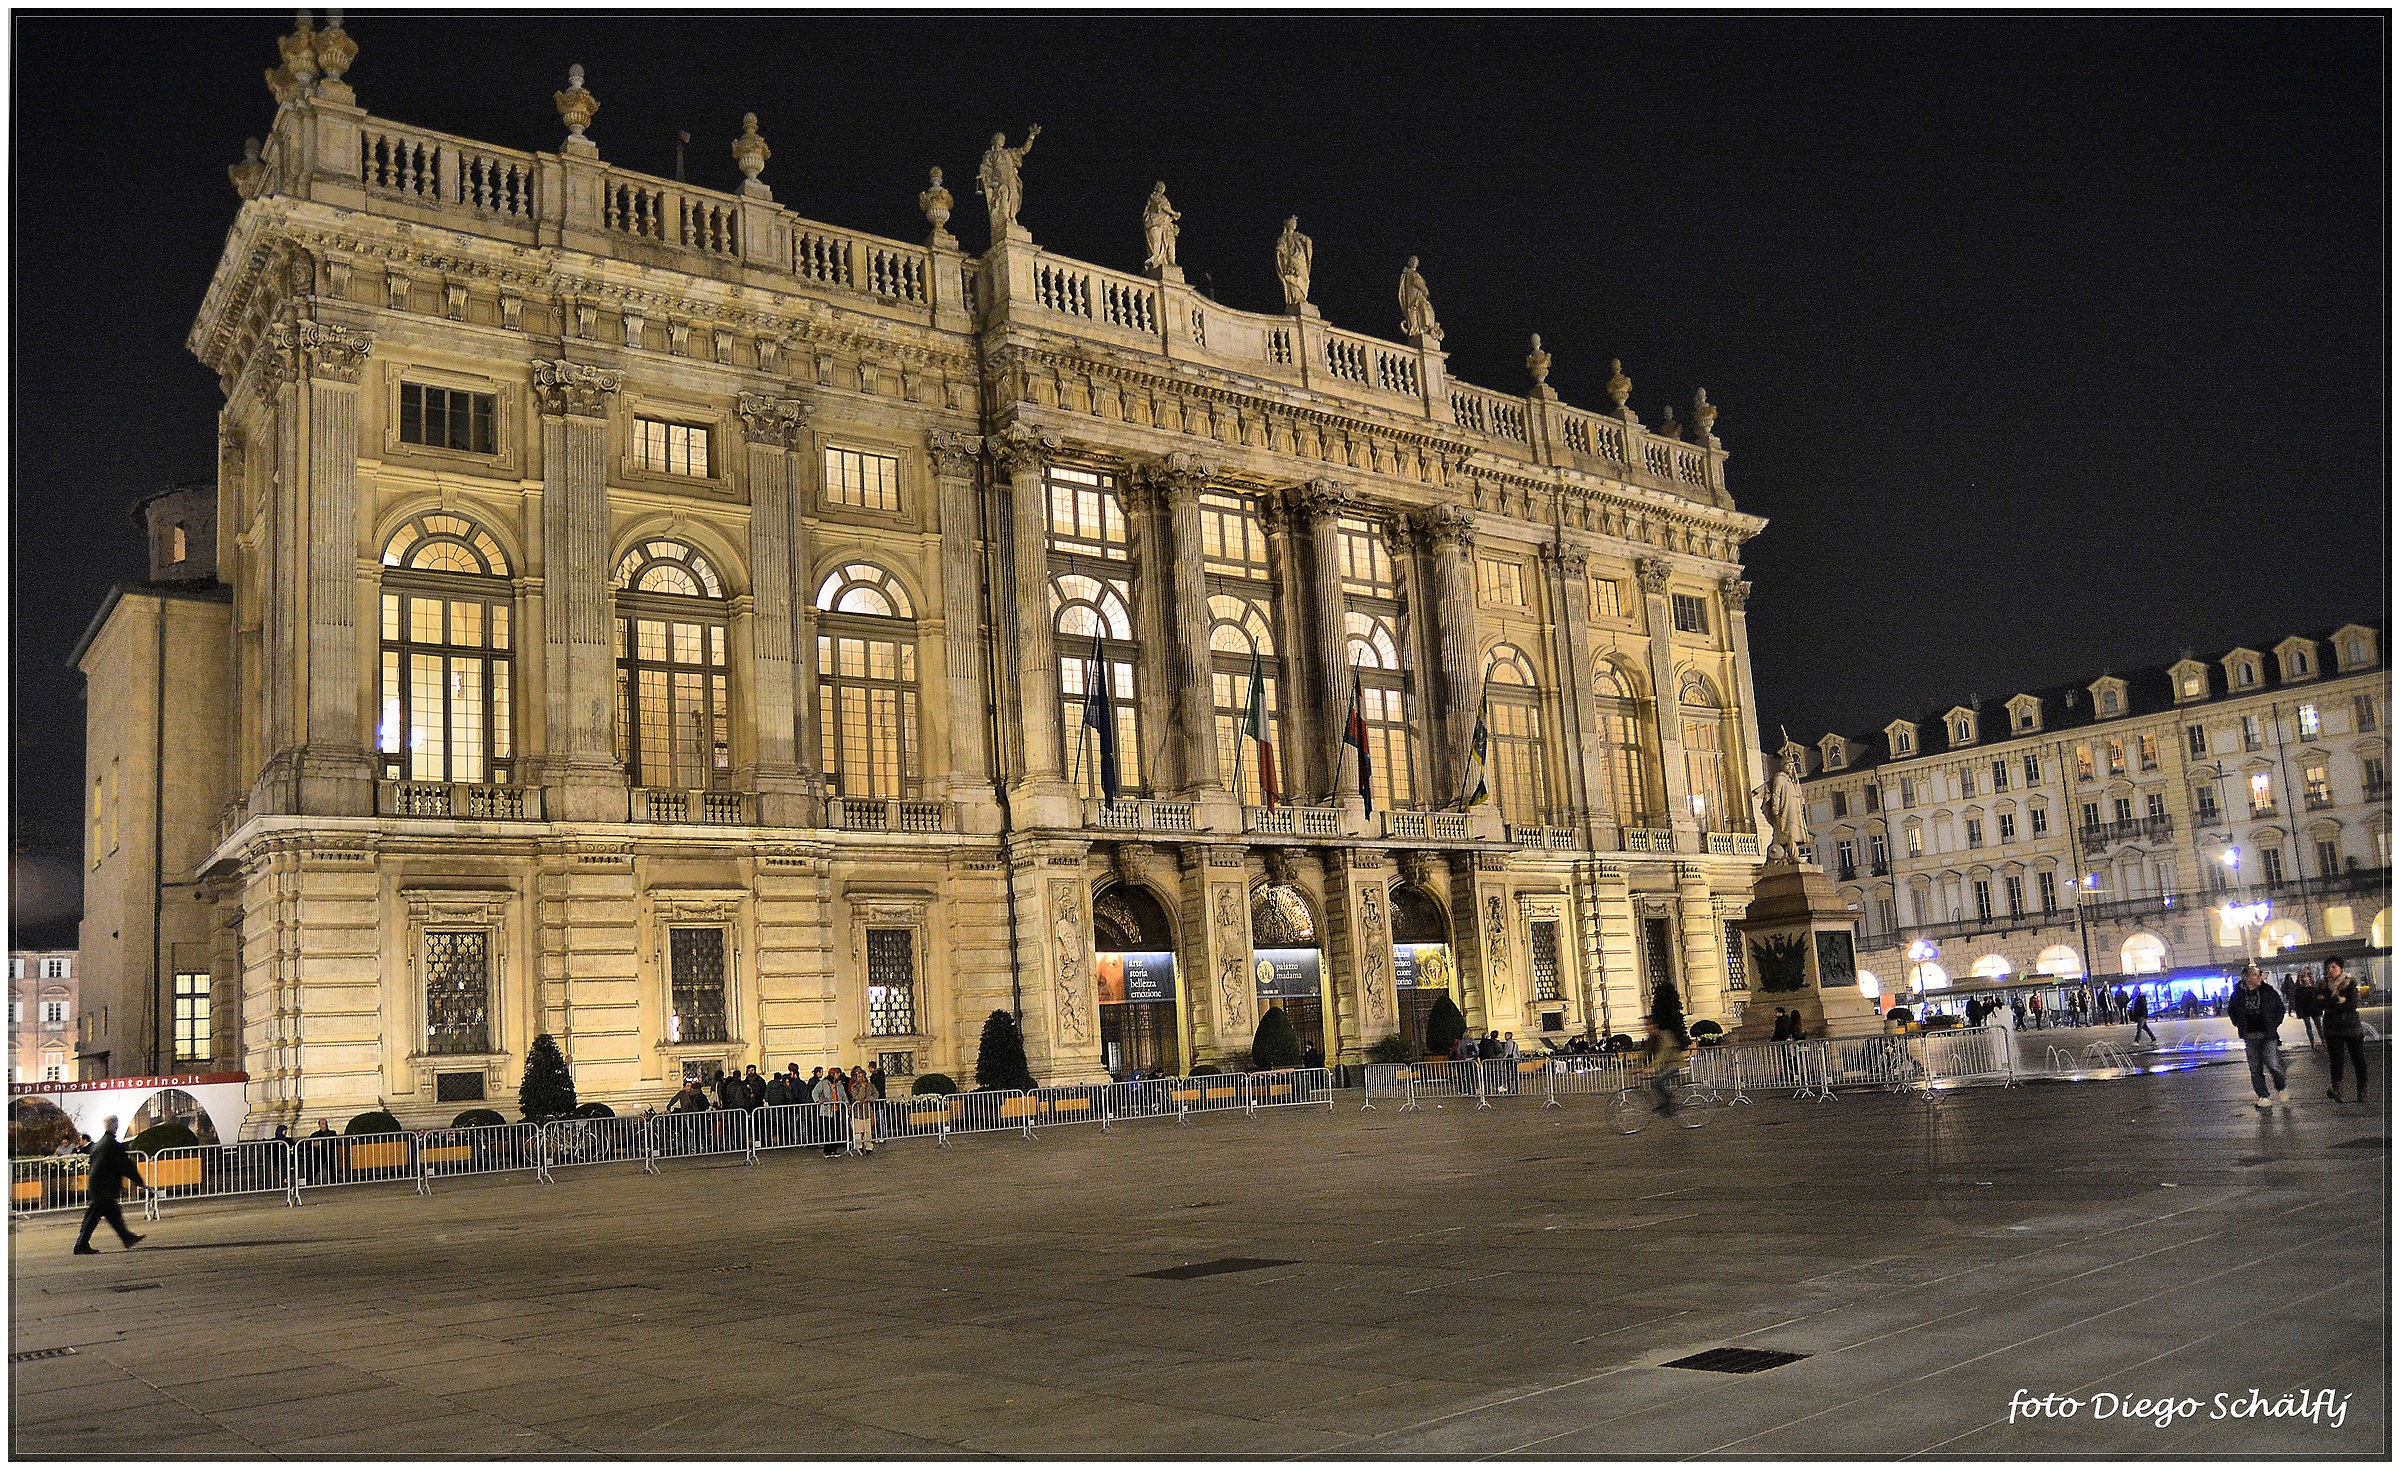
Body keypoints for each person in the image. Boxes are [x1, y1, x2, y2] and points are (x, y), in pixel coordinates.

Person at [72, 1116, 146, 1255]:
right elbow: (125, 1165)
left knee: (110, 1214)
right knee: (94, 1217)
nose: (117, 1126)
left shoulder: (99, 1144)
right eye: (116, 1124)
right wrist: (138, 1180)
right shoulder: (112, 1145)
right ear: (114, 1126)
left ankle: (126, 1237)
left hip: (98, 1186)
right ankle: (81, 1244)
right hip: (104, 1187)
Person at [2228, 961, 2289, 1109]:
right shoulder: (2237, 994)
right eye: (2255, 975)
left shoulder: (2268, 992)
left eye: (2259, 975)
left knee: (2272, 1063)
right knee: (2255, 1068)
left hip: (2268, 1035)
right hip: (2250, 1036)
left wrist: (2273, 1024)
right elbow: (2232, 1010)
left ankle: (2281, 1086)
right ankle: (2263, 1096)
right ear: (2247, 978)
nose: (2259, 977)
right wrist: (2238, 1023)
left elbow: (2280, 1009)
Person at [2320, 958, 2369, 1102]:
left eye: (2333, 967)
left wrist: (2329, 1003)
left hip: (2351, 1028)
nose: (2330, 970)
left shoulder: (2350, 983)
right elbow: (2317, 1005)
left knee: (2358, 1059)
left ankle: (2362, 1091)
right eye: (2328, 967)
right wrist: (2337, 1001)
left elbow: (2351, 1005)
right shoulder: (2323, 985)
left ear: (2340, 968)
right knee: (2336, 1061)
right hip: (2332, 1029)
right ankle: (2337, 1090)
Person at [1641, 1018, 1689, 1117]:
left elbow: (1663, 1054)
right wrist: (1636, 1067)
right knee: (1656, 1082)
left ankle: (1670, 1104)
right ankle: (1665, 1103)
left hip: (1675, 1064)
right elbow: (1646, 1055)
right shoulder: (1652, 1039)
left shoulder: (1665, 1036)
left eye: (1647, 1025)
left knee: (1659, 1080)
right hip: (1666, 1065)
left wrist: (1652, 1067)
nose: (1646, 1028)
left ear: (1653, 1025)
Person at [814, 1067, 847, 1156]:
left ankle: (834, 1149)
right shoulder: (823, 1083)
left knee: (837, 1130)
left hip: (837, 1109)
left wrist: (847, 1103)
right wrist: (818, 1100)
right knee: (829, 1131)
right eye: (837, 1073)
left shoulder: (839, 1084)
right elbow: (815, 1092)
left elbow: (843, 1095)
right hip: (827, 1111)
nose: (839, 1075)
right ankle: (827, 1150)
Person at [847, 1066, 878, 1156]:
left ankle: (869, 1146)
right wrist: (862, 1087)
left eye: (862, 1076)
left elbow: (876, 1094)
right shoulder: (854, 1086)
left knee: (867, 1130)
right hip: (858, 1112)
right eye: (859, 1076)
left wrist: (868, 1099)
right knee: (858, 1130)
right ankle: (859, 1145)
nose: (861, 1078)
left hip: (867, 1111)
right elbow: (857, 1097)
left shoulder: (870, 1085)